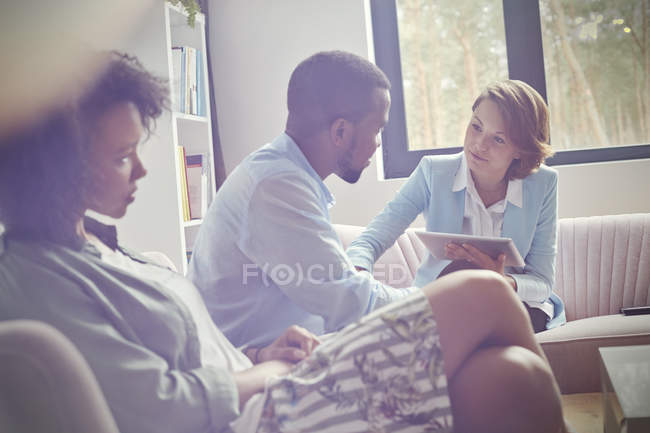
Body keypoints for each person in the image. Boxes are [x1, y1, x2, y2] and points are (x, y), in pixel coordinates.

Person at [0, 51, 571, 433]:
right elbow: (158, 405)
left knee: (507, 377)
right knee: (485, 295)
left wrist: (256, 356)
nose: (142, 173)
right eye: (124, 156)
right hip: (258, 409)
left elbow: (189, 351)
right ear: (56, 165)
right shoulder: (38, 280)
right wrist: (261, 375)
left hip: (270, 372)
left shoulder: (99, 249)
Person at [188, 50, 417, 349]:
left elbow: (336, 288)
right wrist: (436, 294)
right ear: (340, 131)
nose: (377, 145)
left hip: (293, 350)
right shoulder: (276, 185)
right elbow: (349, 302)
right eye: (377, 130)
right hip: (256, 367)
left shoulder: (284, 175)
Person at [346, 80, 565, 333]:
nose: (479, 145)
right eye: (476, 127)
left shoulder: (543, 184)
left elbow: (542, 282)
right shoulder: (433, 172)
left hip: (513, 307)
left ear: (521, 151)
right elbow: (370, 240)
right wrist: (358, 274)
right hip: (444, 304)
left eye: (499, 139)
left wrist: (504, 281)